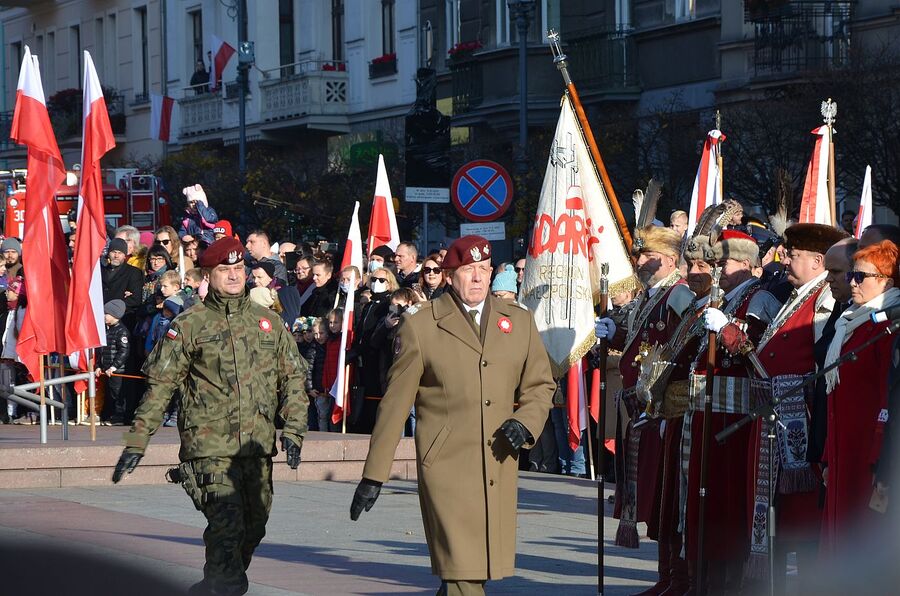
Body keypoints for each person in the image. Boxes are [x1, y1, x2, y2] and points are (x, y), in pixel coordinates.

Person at [350, 235, 555, 596]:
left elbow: (540, 385)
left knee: (470, 573)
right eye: (467, 270)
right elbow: (396, 403)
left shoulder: (517, 322)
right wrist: (374, 475)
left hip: (497, 462)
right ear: (449, 275)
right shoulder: (423, 325)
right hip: (446, 466)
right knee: (463, 572)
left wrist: (526, 423)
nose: (477, 278)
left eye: (483, 269)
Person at [112, 237, 309, 596]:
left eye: (238, 268)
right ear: (208, 274)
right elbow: (160, 387)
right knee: (227, 529)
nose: (234, 276)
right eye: (224, 269)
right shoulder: (189, 324)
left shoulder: (268, 322)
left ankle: (212, 587)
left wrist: (294, 429)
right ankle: (224, 589)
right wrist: (137, 442)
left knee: (254, 527)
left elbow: (294, 377)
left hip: (256, 446)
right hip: (209, 448)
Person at [594, 224, 694, 592]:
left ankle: (677, 578)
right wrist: (615, 333)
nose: (639, 262)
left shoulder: (678, 294)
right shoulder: (651, 294)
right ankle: (665, 576)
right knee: (656, 495)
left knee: (667, 496)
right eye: (638, 255)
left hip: (665, 407)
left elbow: (683, 344)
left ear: (668, 260)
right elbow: (642, 340)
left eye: (647, 256)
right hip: (645, 407)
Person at [820, 240, 900, 558]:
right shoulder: (851, 321)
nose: (852, 282)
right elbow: (833, 394)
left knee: (859, 538)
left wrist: (879, 458)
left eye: (861, 276)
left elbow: (887, 395)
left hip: (867, 453)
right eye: (852, 275)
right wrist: (828, 454)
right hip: (842, 449)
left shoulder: (888, 327)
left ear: (886, 282)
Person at [351, 267, 399, 433]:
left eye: (381, 280)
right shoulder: (368, 305)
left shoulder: (390, 304)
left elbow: (387, 332)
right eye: (373, 279)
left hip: (381, 360)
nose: (376, 283)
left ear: (389, 283)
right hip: (365, 360)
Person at [96, 299, 131, 425]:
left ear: (115, 315)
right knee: (109, 393)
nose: (104, 316)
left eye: (107, 314)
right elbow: (101, 350)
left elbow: (124, 351)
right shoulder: (106, 330)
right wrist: (99, 365)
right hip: (106, 368)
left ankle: (119, 416)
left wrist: (114, 366)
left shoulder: (121, 331)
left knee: (117, 393)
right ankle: (110, 415)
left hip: (117, 370)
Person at [102, 237, 143, 330]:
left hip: (123, 321)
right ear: (109, 253)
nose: (116, 256)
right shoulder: (100, 271)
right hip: (101, 320)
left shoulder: (133, 272)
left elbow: (135, 299)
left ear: (125, 255)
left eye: (120, 253)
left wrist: (112, 311)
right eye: (114, 252)